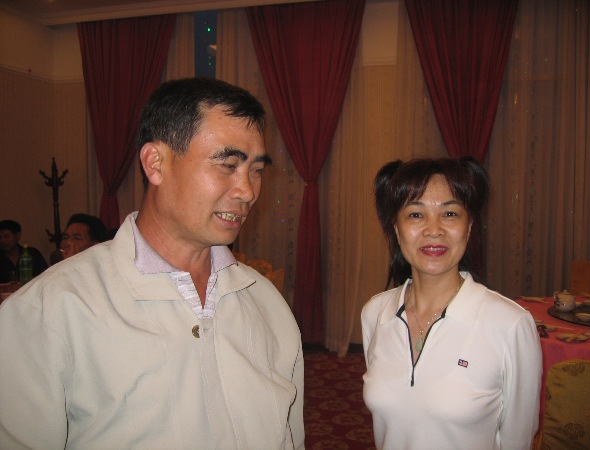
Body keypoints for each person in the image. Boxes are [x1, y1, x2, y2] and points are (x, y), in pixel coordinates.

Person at [0, 77, 304, 449]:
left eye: (256, 170)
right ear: (155, 163)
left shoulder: (267, 303)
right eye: (228, 165)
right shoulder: (50, 310)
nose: (248, 191)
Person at [361, 157, 542, 450]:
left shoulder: (510, 325)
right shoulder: (375, 314)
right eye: (416, 214)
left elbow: (517, 440)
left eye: (449, 213)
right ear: (396, 228)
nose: (434, 230)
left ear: (469, 227)